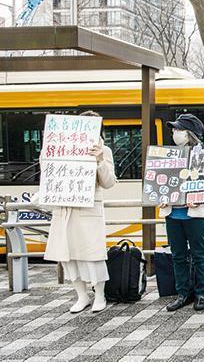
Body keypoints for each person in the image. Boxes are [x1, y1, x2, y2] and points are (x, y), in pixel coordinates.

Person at [44, 110, 116, 313]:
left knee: (93, 254)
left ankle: (100, 295)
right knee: (68, 255)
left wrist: (99, 160)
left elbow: (109, 182)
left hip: (89, 206)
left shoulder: (104, 150)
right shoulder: (61, 149)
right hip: (65, 208)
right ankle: (81, 296)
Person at [161, 113, 204, 311]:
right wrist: (161, 198)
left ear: (190, 134)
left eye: (178, 130)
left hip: (196, 215)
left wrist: (199, 197)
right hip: (173, 214)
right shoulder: (169, 156)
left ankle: (201, 293)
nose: (175, 133)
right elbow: (162, 184)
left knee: (200, 254)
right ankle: (182, 293)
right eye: (174, 130)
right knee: (178, 255)